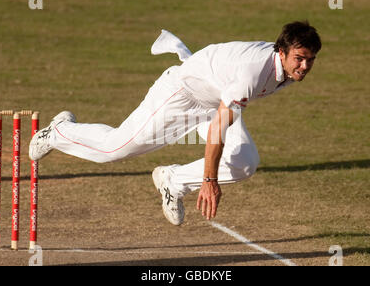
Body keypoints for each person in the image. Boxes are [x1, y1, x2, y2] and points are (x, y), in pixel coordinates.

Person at [29, 21, 322, 225]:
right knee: (113, 149)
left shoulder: (285, 70)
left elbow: (222, 106)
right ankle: (58, 132)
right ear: (280, 52)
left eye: (310, 60)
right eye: (299, 58)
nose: (305, 67)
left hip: (213, 99)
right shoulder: (253, 72)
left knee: (245, 163)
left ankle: (173, 181)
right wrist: (209, 181)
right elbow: (220, 126)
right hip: (181, 96)